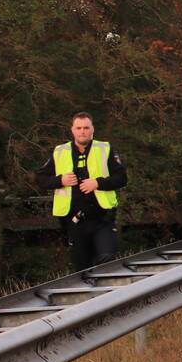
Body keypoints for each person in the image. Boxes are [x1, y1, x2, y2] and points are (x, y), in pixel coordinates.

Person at [36, 112, 128, 271]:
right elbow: (40, 179)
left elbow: (122, 178)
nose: (82, 131)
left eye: (86, 127)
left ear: (92, 129)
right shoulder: (60, 151)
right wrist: (60, 180)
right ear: (72, 130)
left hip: (102, 218)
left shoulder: (105, 148)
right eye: (78, 128)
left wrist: (98, 183)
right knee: (82, 270)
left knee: (107, 259)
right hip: (74, 221)